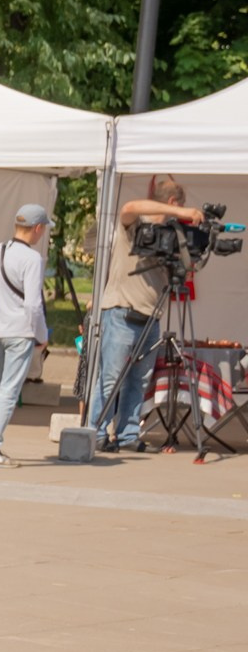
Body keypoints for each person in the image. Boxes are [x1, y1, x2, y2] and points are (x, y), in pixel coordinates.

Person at [90, 174, 203, 451]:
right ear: (173, 202)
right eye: (179, 206)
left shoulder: (171, 234)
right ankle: (95, 434)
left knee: (137, 383)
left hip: (151, 317)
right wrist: (181, 212)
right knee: (110, 380)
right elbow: (127, 208)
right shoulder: (138, 224)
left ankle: (128, 436)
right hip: (120, 312)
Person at [0, 204, 52, 468]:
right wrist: (41, 334)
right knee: (9, 391)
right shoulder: (32, 260)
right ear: (37, 228)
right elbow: (32, 304)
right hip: (18, 331)